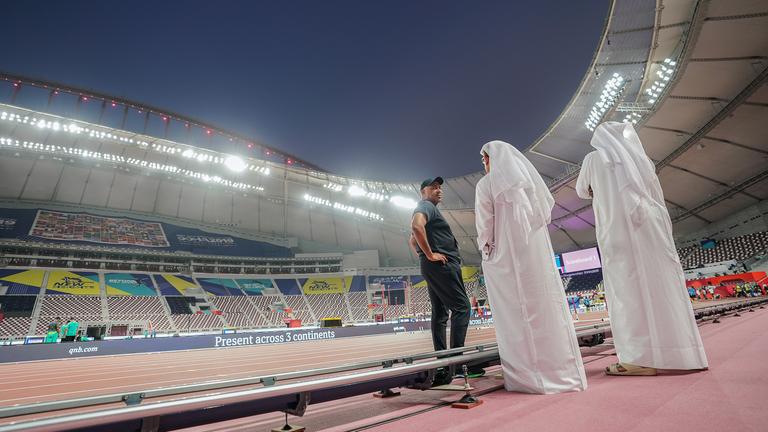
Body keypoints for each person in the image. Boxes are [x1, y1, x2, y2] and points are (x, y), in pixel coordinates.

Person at [576, 121, 708, 375]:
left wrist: (599, 187)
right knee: (660, 289)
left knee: (627, 296)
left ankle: (637, 359)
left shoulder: (594, 159)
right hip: (650, 227)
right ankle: (678, 353)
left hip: (619, 231)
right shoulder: (639, 158)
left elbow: (582, 191)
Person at [474, 140, 587, 393]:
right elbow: (543, 213)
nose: (484, 163)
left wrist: (486, 251)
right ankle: (560, 370)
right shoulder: (527, 183)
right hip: (535, 252)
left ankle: (526, 376)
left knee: (515, 312)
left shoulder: (486, 184)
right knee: (544, 306)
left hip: (506, 254)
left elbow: (485, 225)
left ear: (492, 159)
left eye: (485, 158)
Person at [410, 176, 477, 384]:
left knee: (440, 313)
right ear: (423, 191)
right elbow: (416, 227)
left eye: (440, 187)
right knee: (462, 308)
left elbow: (412, 240)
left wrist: (424, 257)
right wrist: (430, 255)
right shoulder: (426, 206)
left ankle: (443, 363)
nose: (439, 190)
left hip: (433, 266)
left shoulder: (429, 209)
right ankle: (455, 363)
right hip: (442, 265)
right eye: (434, 187)